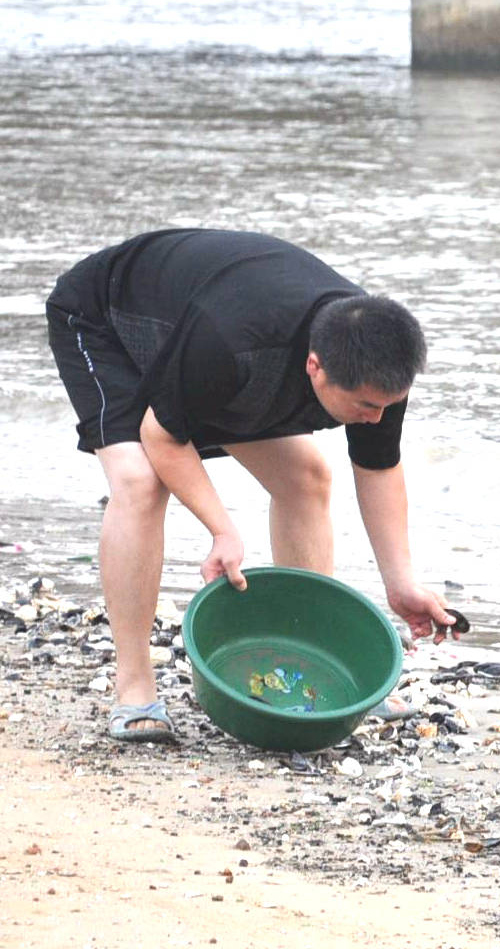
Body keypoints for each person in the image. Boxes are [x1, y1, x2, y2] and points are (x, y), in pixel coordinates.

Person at [45, 228, 456, 744]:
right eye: (365, 406)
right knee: (141, 480)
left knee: (307, 476)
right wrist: (223, 530)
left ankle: (311, 663)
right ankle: (135, 689)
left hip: (203, 341)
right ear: (316, 367)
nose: (375, 419)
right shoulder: (233, 340)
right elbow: (162, 435)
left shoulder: (375, 362)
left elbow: (377, 467)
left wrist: (401, 583)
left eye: (386, 406)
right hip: (104, 317)